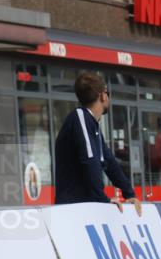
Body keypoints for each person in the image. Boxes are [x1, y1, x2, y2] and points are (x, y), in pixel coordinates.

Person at [54, 72, 141, 215]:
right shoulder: (80, 117)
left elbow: (109, 161)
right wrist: (103, 199)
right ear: (102, 95)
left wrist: (129, 194)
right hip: (73, 209)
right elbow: (89, 161)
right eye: (108, 93)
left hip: (86, 206)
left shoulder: (92, 125)